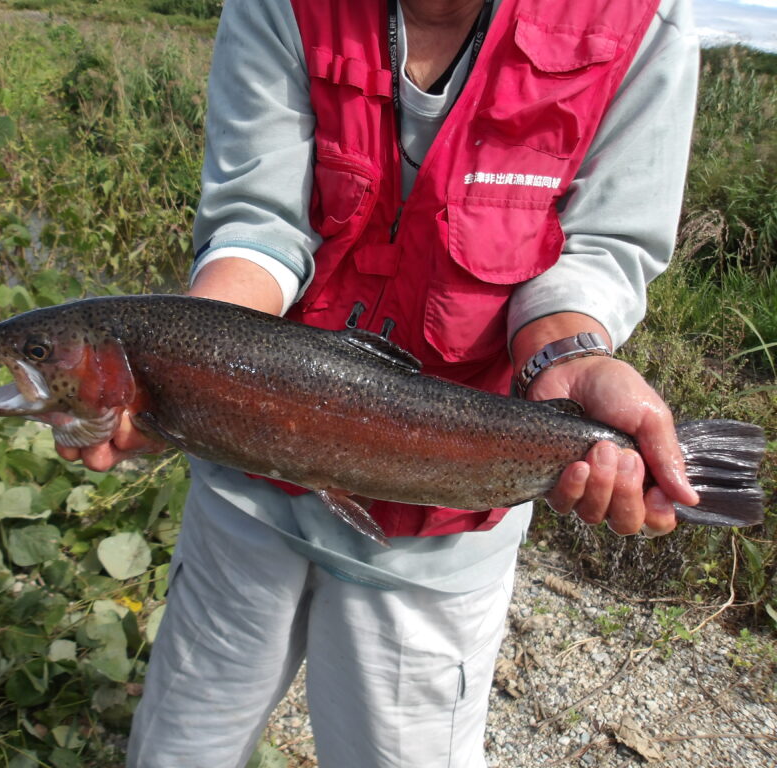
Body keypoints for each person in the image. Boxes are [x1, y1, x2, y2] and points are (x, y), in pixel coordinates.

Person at [59, 0, 700, 764]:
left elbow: (599, 254)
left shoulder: (643, 21)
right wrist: (186, 366)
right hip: (246, 486)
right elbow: (258, 222)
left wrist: (570, 360)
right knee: (178, 747)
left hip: (440, 518)